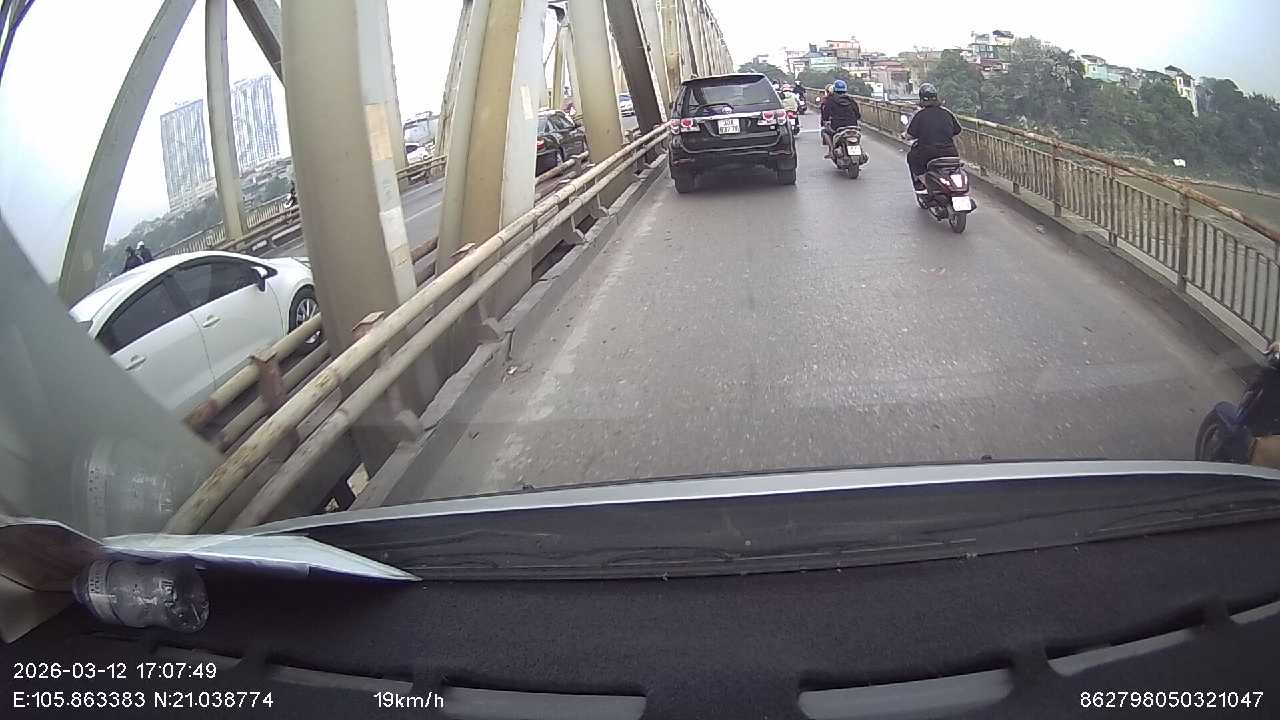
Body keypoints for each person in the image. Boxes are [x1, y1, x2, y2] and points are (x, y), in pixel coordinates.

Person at [902, 83, 962, 192]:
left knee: (912, 157)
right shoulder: (947, 113)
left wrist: (904, 135)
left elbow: (910, 135)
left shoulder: (919, 115)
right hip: (950, 152)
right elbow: (957, 131)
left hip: (928, 153)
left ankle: (923, 185)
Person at [820, 79, 861, 158]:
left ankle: (831, 151)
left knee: (825, 131)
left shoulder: (830, 100)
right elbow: (858, 114)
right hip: (852, 125)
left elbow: (825, 115)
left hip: (837, 126)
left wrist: (825, 120)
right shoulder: (851, 100)